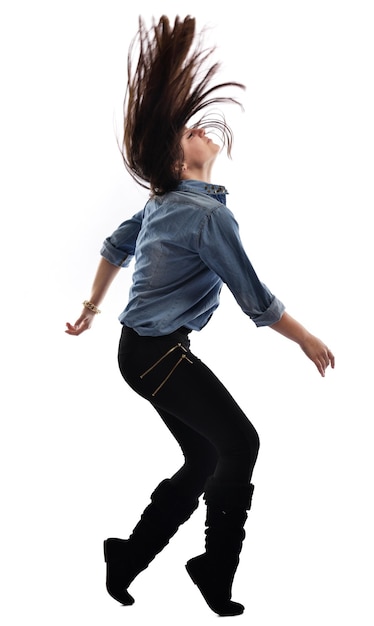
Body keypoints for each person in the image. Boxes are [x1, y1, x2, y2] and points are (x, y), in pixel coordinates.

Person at [66, 15, 334, 617]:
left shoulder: (163, 202)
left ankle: (128, 556)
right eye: (189, 130)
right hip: (157, 356)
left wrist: (90, 308)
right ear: (180, 157)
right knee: (241, 445)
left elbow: (114, 246)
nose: (199, 129)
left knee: (208, 456)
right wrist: (307, 339)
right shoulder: (205, 216)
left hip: (143, 355)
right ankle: (214, 568)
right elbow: (255, 300)